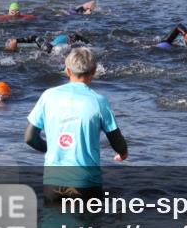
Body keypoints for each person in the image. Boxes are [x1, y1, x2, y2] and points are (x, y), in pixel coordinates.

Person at [24, 48, 128, 205]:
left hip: (53, 182)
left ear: (67, 70)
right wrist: (123, 152)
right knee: (88, 227)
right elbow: (116, 139)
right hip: (86, 183)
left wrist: (52, 148)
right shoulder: (99, 101)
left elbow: (30, 138)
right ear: (93, 71)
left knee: (53, 226)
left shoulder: (48, 96)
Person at [5, 33, 88, 54]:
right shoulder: (48, 47)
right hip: (52, 47)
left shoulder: (65, 42)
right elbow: (34, 38)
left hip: (51, 46)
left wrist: (17, 40)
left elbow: (34, 38)